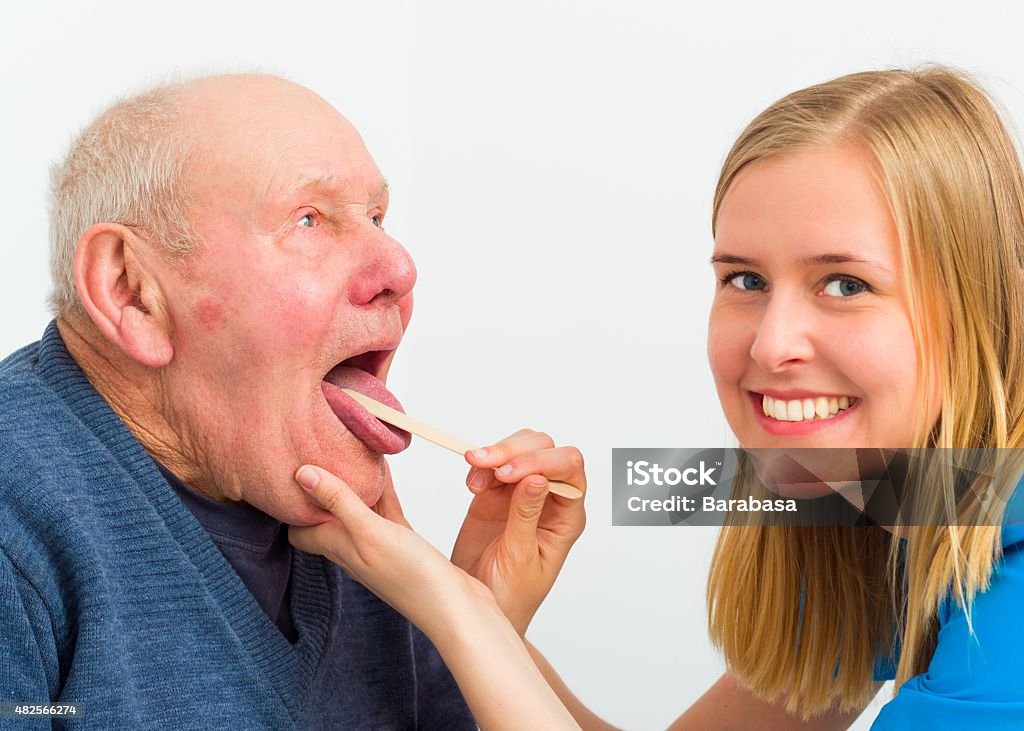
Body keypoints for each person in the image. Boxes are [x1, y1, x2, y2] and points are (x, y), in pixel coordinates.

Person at [290, 65, 1024, 729]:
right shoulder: (901, 504)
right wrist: (479, 608)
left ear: (981, 307)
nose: (771, 346)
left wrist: (452, 614)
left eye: (846, 284)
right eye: (745, 279)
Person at [0, 73, 587, 728]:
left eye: (377, 217)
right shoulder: (16, 525)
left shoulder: (369, 544)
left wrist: (475, 622)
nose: (399, 267)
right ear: (131, 290)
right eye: (309, 219)